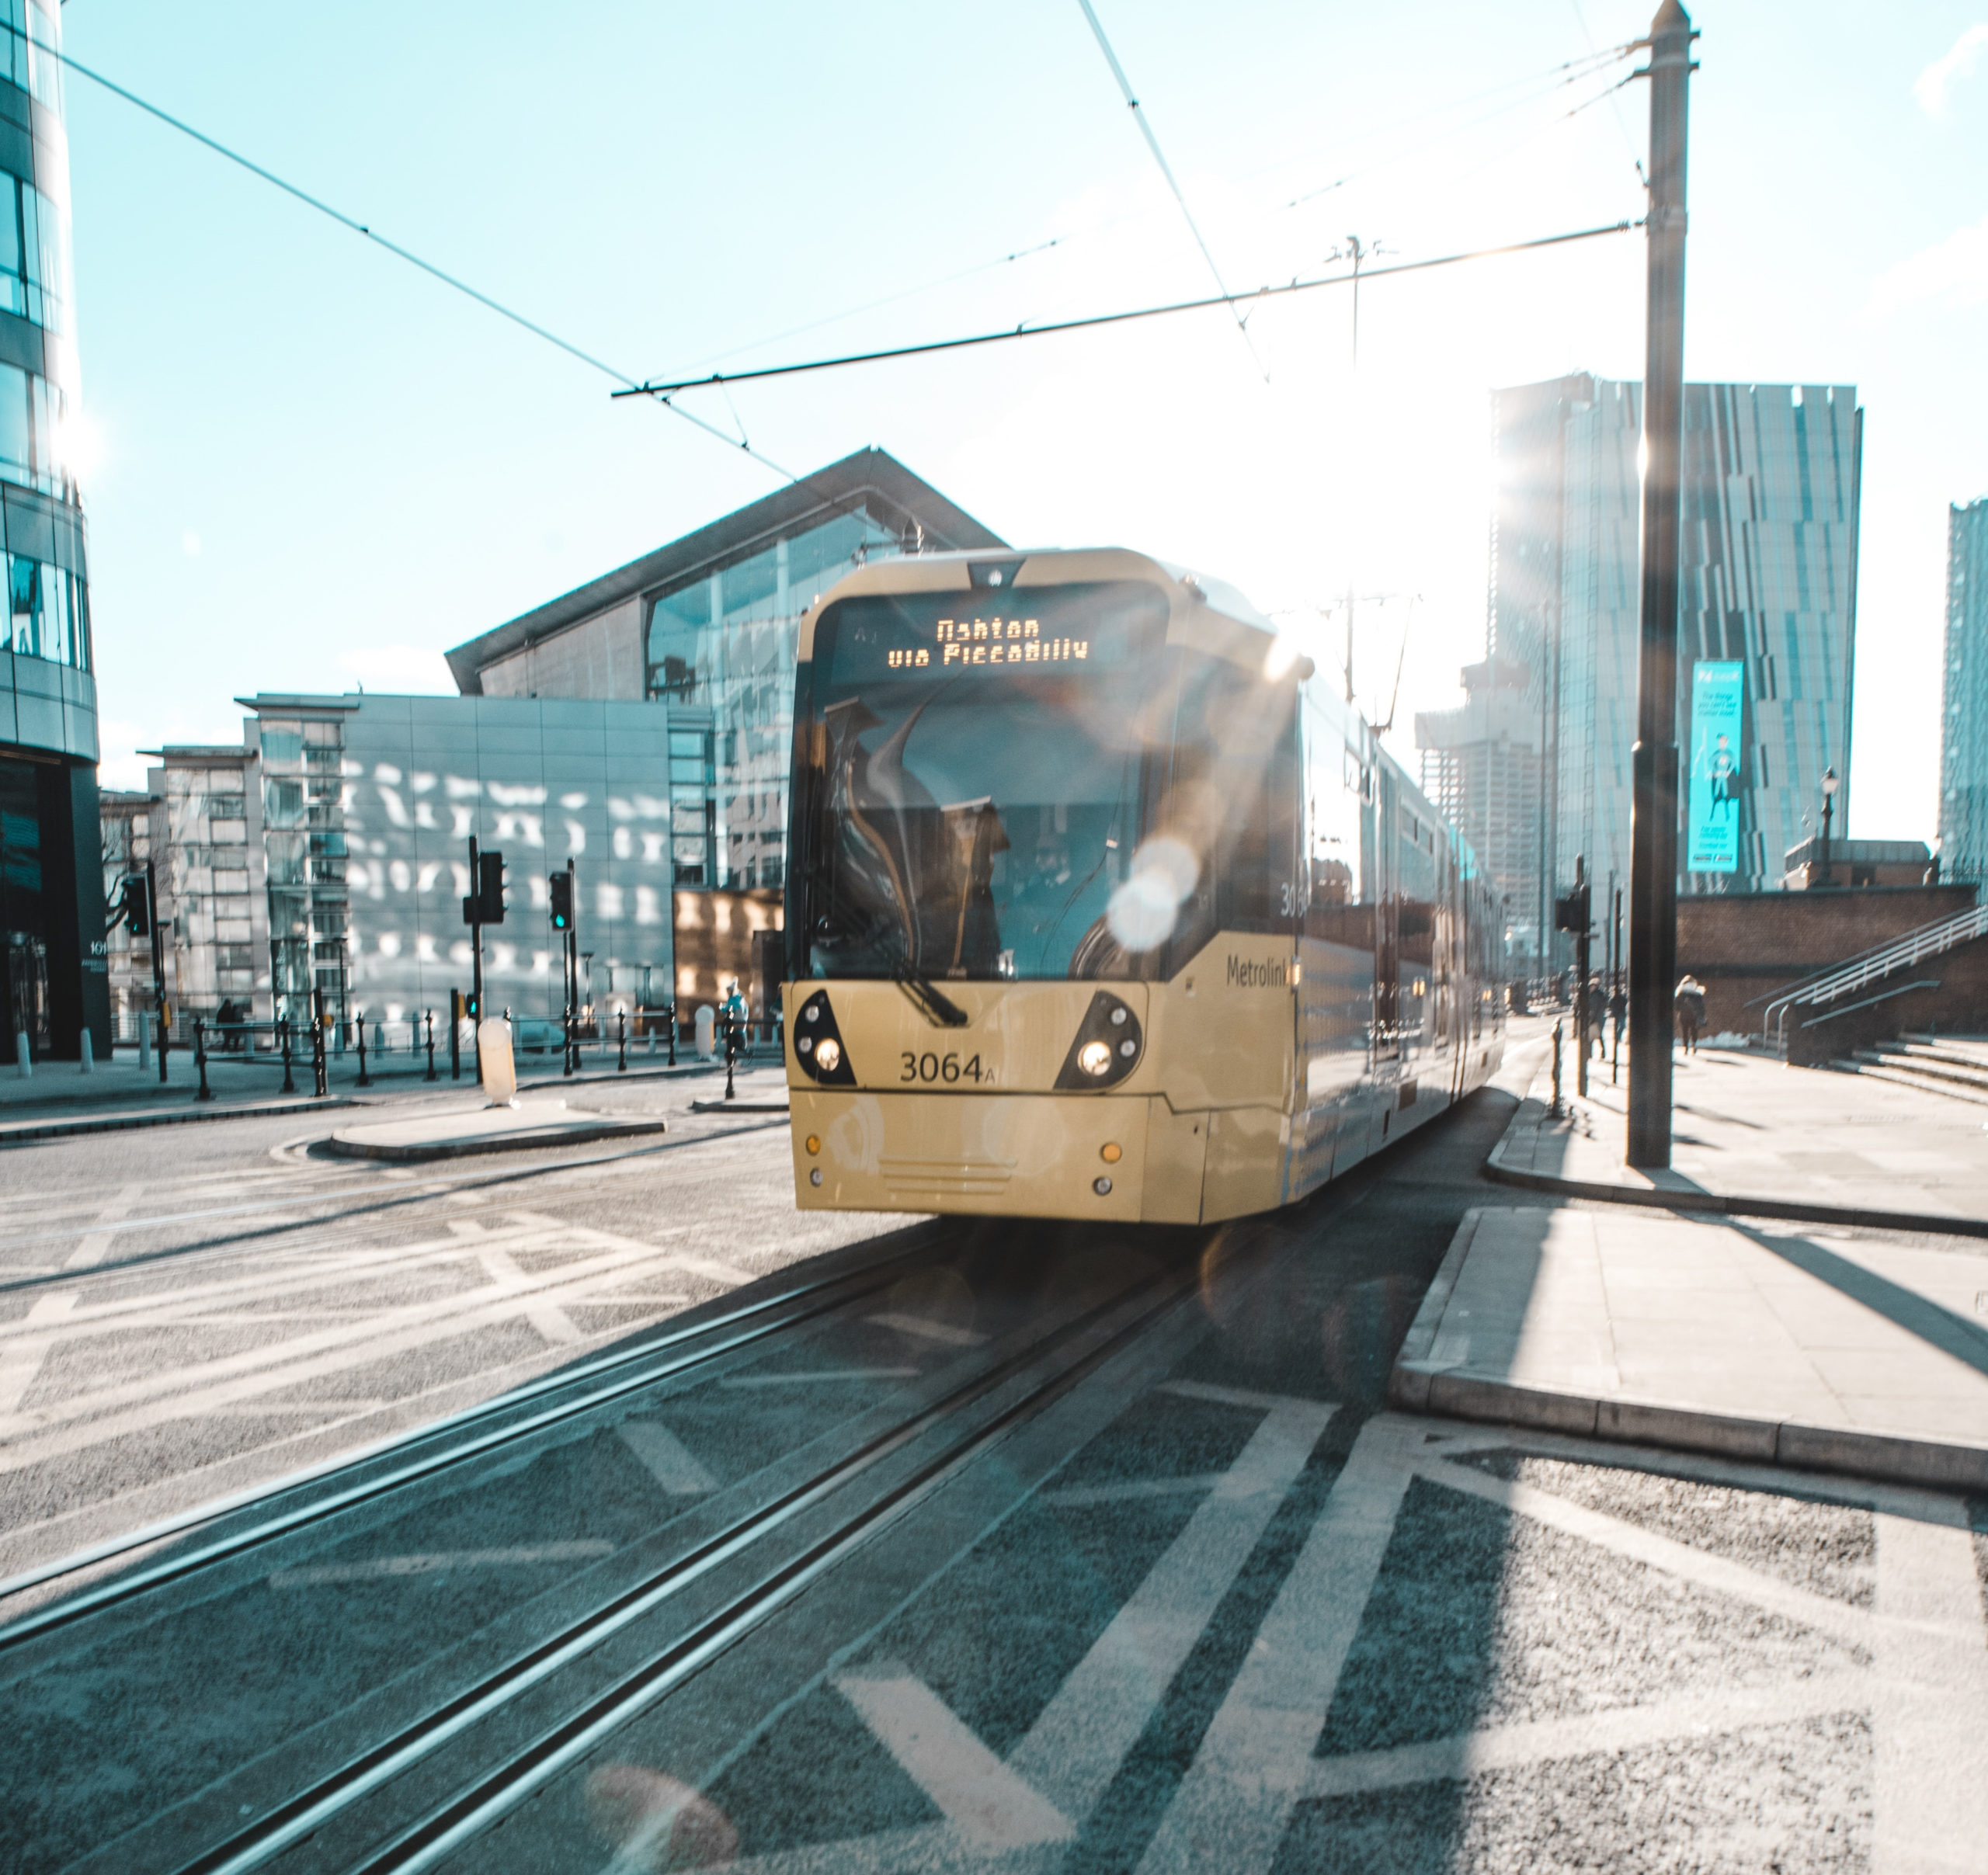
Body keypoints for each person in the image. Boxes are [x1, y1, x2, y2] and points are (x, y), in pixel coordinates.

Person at [1674, 974, 1707, 1054]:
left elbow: (1676, 1007)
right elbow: (1701, 1006)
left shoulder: (1681, 993)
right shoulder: (1697, 993)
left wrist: (1682, 1007)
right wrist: (1702, 1015)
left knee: (1684, 1031)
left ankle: (1685, 1047)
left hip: (1683, 1016)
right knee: (1694, 1031)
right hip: (1694, 1015)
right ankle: (1694, 1044)